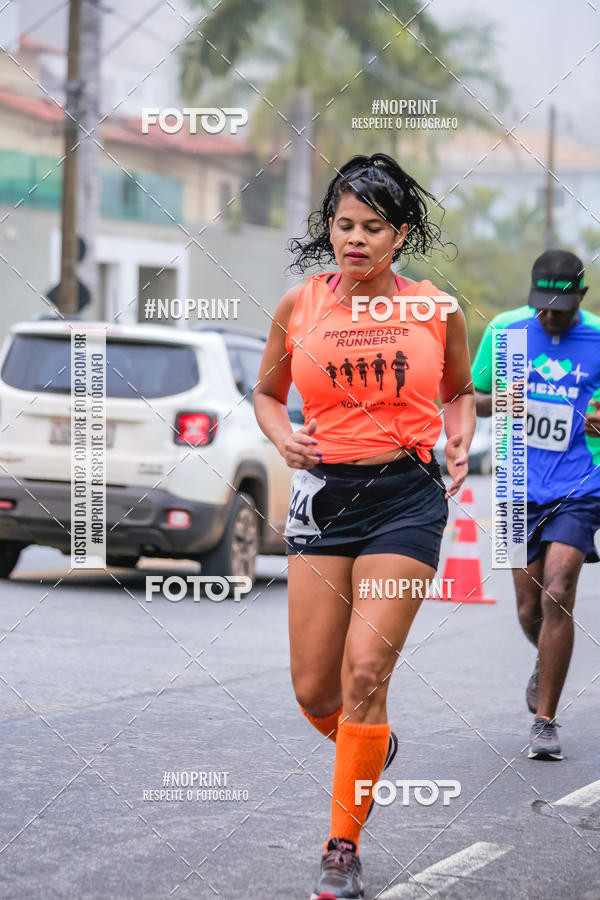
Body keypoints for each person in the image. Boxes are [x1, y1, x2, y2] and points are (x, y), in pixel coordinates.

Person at [253, 152, 475, 900]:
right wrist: (281, 436)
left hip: (404, 500)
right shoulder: (300, 306)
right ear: (329, 229)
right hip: (322, 500)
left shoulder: (435, 310)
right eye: (343, 225)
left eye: (371, 227)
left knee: (363, 674)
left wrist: (459, 435)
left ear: (399, 235)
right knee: (315, 690)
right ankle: (368, 740)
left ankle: (340, 848)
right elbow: (265, 392)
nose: (355, 239)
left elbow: (459, 392)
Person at [471, 249, 600, 761]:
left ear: (581, 299)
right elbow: (466, 397)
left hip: (580, 483)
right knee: (528, 607)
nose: (549, 316)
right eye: (541, 306)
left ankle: (545, 722)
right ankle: (546, 661)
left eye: (560, 309)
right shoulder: (505, 330)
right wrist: (505, 397)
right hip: (514, 485)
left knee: (558, 591)